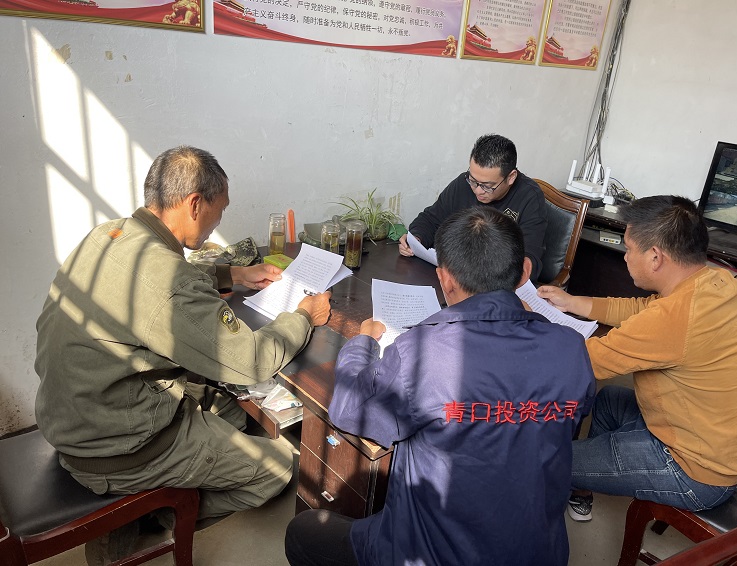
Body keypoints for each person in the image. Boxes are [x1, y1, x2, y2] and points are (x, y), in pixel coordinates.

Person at [34, 146, 331, 565]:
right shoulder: (169, 280)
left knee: (233, 412)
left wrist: (233, 273)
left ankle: (157, 493)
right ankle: (153, 512)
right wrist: (303, 316)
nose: (218, 222)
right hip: (120, 448)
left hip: (75, 417)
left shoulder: (111, 235)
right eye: (219, 211)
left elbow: (153, 281)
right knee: (280, 467)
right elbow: (251, 362)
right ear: (194, 204)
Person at [285, 207, 596, 566]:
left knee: (303, 532)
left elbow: (349, 409)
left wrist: (362, 343)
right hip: (540, 553)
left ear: (444, 279)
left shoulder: (423, 351)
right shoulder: (571, 348)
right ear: (524, 271)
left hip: (430, 555)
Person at [538, 195, 737, 523]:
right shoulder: (717, 282)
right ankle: (582, 490)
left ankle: (569, 478)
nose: (625, 257)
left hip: (695, 471)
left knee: (547, 460)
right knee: (609, 401)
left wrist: (525, 330)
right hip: (714, 439)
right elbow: (644, 309)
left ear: (655, 257)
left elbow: (581, 363)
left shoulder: (675, 319)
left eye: (628, 249)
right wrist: (572, 302)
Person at [398, 134, 548, 281]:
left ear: (511, 177)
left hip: (493, 282)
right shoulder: (463, 183)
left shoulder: (530, 198)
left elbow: (529, 258)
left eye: (487, 186)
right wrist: (416, 238)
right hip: (453, 276)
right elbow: (431, 218)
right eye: (473, 180)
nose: (478, 191)